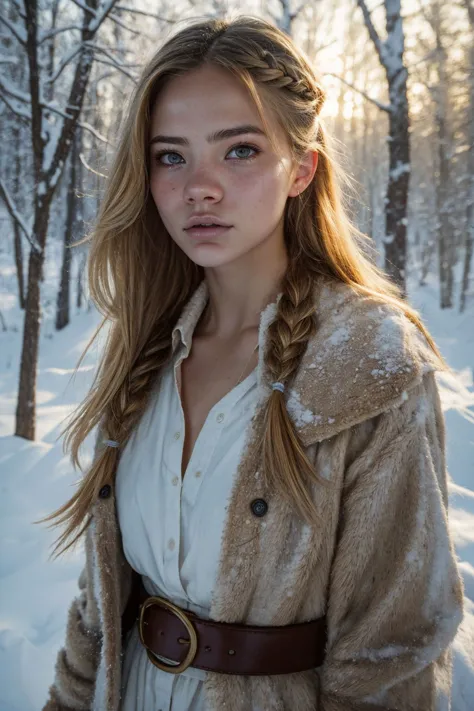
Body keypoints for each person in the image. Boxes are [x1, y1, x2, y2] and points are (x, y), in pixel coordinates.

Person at [40, 14, 464, 711]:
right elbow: (99, 606)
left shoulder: (368, 363)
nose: (198, 187)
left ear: (301, 168)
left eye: (238, 150)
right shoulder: (146, 349)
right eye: (170, 156)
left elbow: (393, 652)